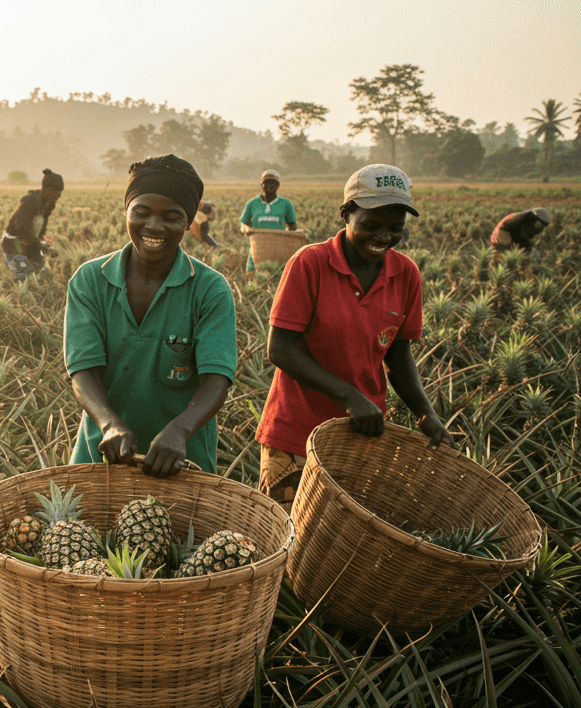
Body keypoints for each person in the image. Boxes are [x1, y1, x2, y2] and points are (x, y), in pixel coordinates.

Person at [255, 164, 450, 504]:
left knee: (343, 544)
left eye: (395, 228)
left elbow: (398, 356)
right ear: (346, 213)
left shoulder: (406, 274)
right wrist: (349, 396)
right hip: (295, 431)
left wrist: (425, 412)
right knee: (287, 539)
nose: (383, 237)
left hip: (360, 434)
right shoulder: (310, 263)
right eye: (371, 225)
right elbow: (280, 349)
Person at [64, 155, 237, 477]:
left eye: (171, 217)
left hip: (182, 462)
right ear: (126, 212)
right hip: (100, 453)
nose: (154, 226)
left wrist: (180, 431)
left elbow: (217, 379)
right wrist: (110, 425)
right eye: (141, 213)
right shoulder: (90, 280)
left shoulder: (210, 289)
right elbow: (83, 370)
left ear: (188, 223)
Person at [2, 168, 64, 281]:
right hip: (15, 242)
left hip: (30, 242)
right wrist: (39, 244)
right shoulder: (29, 201)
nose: (56, 198)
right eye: (54, 194)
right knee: (23, 275)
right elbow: (21, 227)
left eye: (58, 195)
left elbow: (42, 226)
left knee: (38, 270)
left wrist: (42, 242)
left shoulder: (49, 204)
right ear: (45, 189)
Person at [239, 169, 298, 273]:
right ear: (261, 185)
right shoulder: (252, 203)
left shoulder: (285, 204)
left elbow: (292, 226)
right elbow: (243, 223)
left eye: (273, 183)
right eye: (266, 183)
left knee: (277, 277)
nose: (270, 186)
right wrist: (247, 229)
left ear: (278, 186)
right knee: (252, 278)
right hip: (257, 250)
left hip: (278, 251)